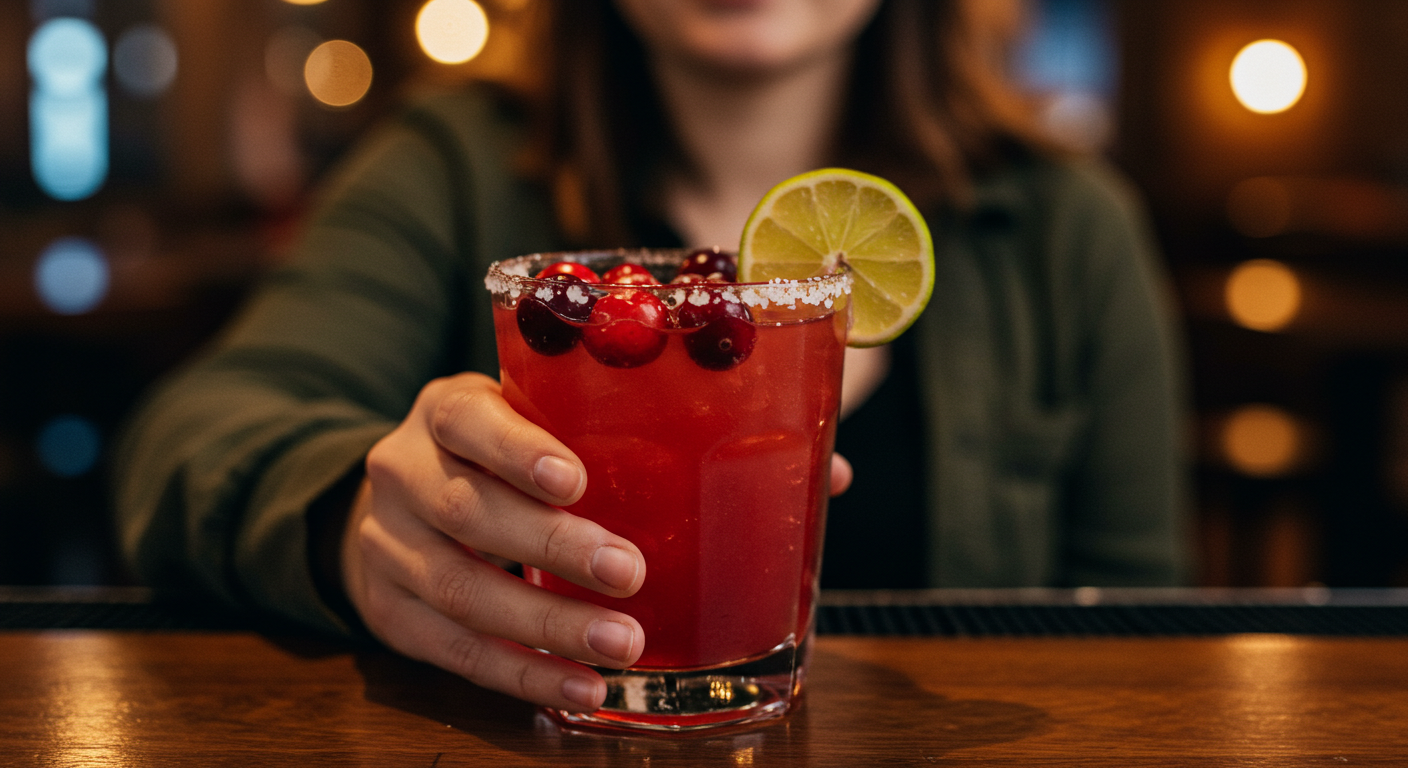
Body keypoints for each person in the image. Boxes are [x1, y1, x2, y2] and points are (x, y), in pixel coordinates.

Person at [114, 0, 1189, 716]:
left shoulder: (1064, 226)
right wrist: (353, 526)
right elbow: (188, 440)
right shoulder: (446, 166)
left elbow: (1140, 640)